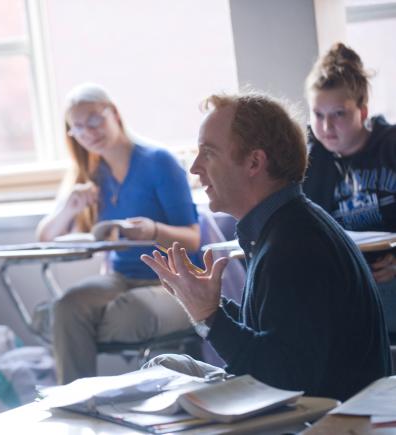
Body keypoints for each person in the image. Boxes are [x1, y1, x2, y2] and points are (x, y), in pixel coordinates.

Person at [141, 92, 392, 401]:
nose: (194, 167)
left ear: (254, 162)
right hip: (296, 400)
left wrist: (210, 317)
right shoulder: (286, 225)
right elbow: (276, 334)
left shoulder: (294, 245)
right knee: (164, 368)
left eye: (208, 152)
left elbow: (285, 378)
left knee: (160, 384)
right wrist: (210, 304)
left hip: (316, 419)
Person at [36, 83, 201, 384]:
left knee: (129, 310)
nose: (89, 132)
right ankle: (75, 403)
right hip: (122, 278)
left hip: (173, 279)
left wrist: (153, 230)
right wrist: (69, 209)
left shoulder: (158, 162)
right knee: (67, 305)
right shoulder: (93, 175)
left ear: (114, 113)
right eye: (78, 127)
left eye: (95, 120)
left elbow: (192, 238)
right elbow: (46, 237)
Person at [303, 42, 396, 336]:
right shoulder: (309, 159)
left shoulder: (390, 146)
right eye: (318, 115)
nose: (327, 126)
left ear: (362, 110)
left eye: (339, 114)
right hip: (343, 277)